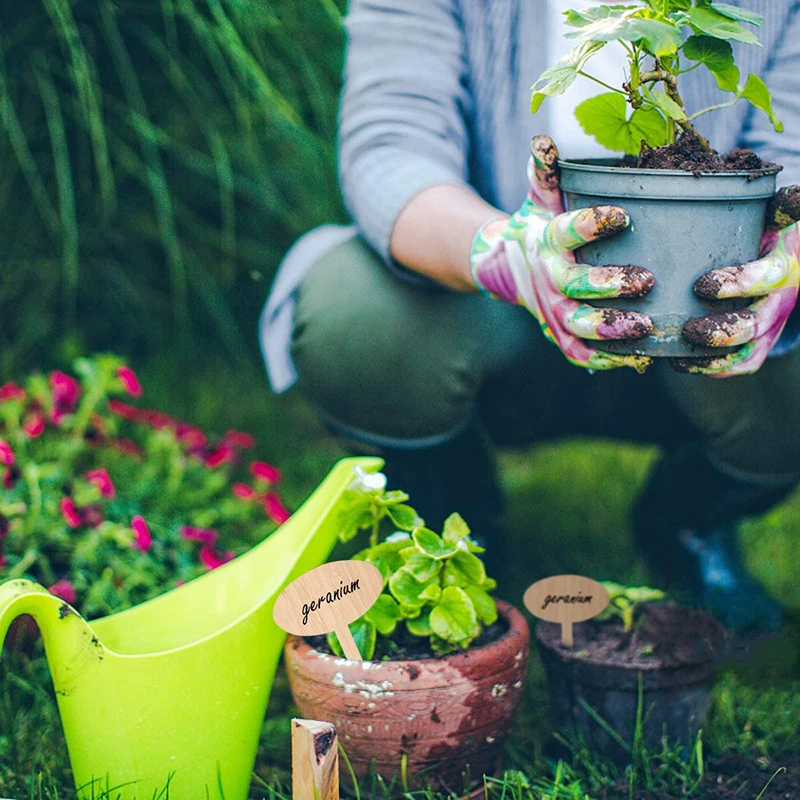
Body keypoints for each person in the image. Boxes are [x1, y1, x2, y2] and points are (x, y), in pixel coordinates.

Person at [260, 0, 800, 632]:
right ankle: (453, 510)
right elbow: (391, 147)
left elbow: (789, 149)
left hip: (700, 303)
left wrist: (782, 265)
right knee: (353, 313)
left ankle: (693, 519)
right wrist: (505, 254)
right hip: (485, 304)